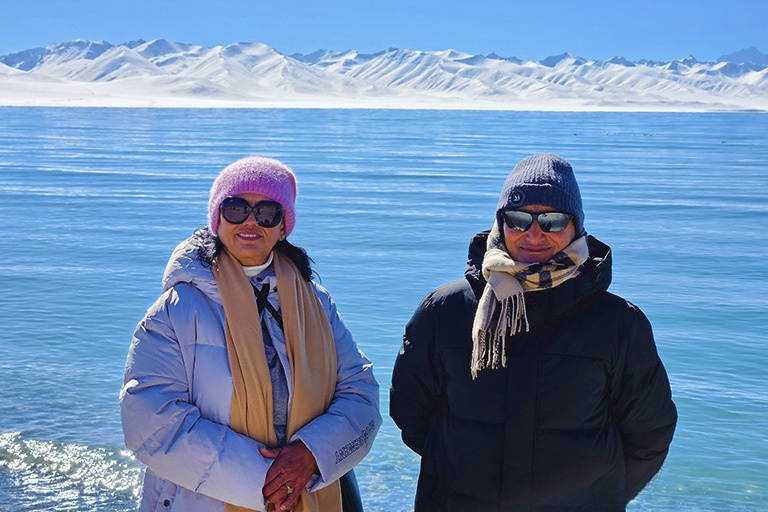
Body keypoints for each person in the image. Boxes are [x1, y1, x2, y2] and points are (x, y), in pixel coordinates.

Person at [390, 153, 677, 511]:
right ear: (501, 223)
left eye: (553, 221)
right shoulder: (445, 311)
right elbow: (411, 414)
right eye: (518, 219)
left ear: (576, 226)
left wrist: (598, 496)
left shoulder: (618, 324)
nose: (535, 233)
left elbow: (649, 435)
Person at [121, 156, 381, 512]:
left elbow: (360, 393)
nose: (250, 221)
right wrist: (268, 480)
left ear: (283, 227)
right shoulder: (177, 309)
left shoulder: (316, 304)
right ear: (217, 219)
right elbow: (150, 422)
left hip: (307, 491)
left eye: (267, 212)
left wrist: (311, 454)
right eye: (236, 208)